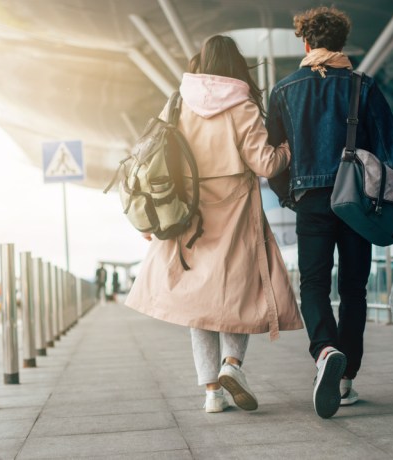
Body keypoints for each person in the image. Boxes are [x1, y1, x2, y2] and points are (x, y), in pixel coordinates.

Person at [266, 6, 393, 419]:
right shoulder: (365, 86)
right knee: (354, 288)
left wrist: (292, 196)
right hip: (359, 202)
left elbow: (274, 159)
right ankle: (345, 381)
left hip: (312, 201)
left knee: (314, 284)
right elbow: (390, 153)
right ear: (342, 44)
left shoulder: (285, 90)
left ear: (306, 43)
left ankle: (325, 350)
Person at [126, 35, 303, 414]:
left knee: (198, 304)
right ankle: (232, 366)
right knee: (239, 293)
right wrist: (288, 149)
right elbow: (266, 164)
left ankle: (211, 394)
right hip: (236, 212)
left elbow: (156, 158)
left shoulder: (177, 103)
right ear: (236, 64)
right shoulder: (242, 106)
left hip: (188, 214)